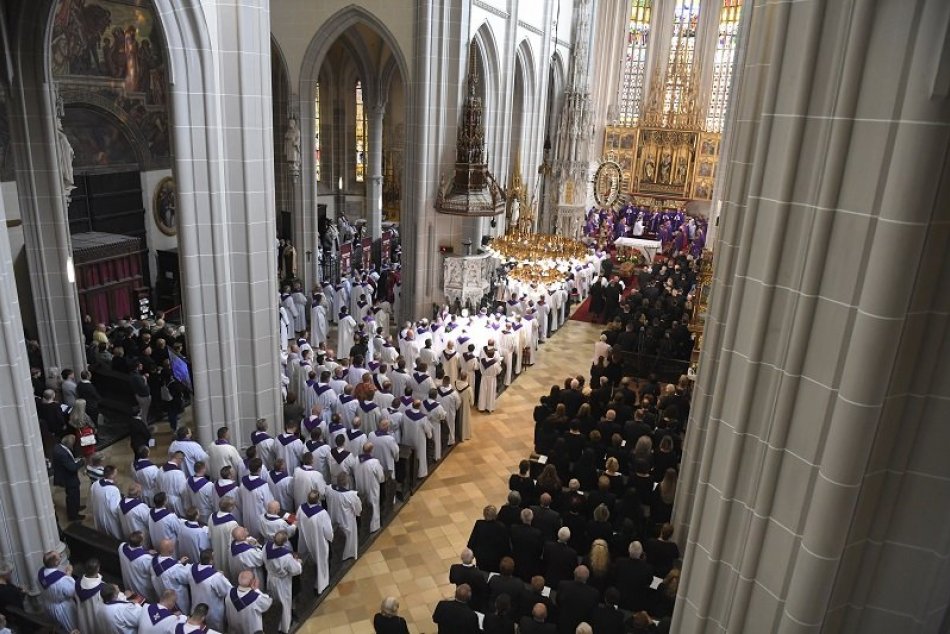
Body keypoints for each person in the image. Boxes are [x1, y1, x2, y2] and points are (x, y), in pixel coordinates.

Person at [264, 530, 302, 633]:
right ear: (285, 543)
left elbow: (263, 559)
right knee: (285, 603)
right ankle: (285, 627)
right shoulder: (285, 556)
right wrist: (298, 562)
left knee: (275, 600)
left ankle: (274, 620)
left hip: (271, 577)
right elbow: (295, 570)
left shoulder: (267, 546)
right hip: (282, 582)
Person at [297, 490, 334, 594]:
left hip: (305, 539)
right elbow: (328, 531)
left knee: (305, 559)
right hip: (319, 542)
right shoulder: (322, 513)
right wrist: (330, 538)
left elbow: (297, 521)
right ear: (317, 500)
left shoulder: (301, 508)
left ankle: (302, 578)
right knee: (321, 562)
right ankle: (321, 585)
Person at [188, 549, 232, 631]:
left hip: (196, 609)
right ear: (211, 561)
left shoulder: (191, 569)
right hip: (213, 612)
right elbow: (227, 591)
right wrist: (222, 577)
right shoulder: (216, 577)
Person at [38, 551, 78, 632]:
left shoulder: (41, 573)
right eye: (59, 556)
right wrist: (69, 574)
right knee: (72, 629)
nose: (60, 556)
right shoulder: (61, 580)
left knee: (56, 626)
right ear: (56, 562)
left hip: (48, 605)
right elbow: (73, 592)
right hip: (63, 608)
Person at [326, 472, 362, 560]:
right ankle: (347, 555)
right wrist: (357, 513)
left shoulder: (329, 489)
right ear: (347, 482)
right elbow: (358, 510)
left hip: (333, 520)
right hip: (347, 523)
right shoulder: (351, 495)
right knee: (348, 541)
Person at [151, 538, 192, 614]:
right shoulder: (174, 568)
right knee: (181, 615)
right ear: (172, 551)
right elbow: (188, 577)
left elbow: (166, 566)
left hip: (162, 594)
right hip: (176, 600)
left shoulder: (154, 561)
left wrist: (179, 562)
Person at [555, 565, 600, 634]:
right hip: (581, 628)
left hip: (563, 625)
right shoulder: (594, 593)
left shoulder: (563, 585)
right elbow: (593, 612)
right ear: (587, 577)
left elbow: (558, 602)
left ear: (574, 574)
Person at [239, 457, 276, 539]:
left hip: (246, 516)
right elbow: (269, 503)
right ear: (259, 469)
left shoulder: (243, 483)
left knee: (249, 536)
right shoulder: (262, 485)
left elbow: (241, 498)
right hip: (259, 517)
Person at [354, 441, 386, 532]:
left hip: (360, 486)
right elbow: (381, 477)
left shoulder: (356, 459)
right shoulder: (374, 462)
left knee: (363, 506)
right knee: (373, 505)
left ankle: (363, 527)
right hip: (372, 488)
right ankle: (373, 527)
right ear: (372, 450)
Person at [467, 505, 509, 573]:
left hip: (481, 559)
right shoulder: (501, 527)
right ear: (495, 515)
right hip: (496, 559)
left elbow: (471, 543)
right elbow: (505, 545)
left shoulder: (479, 524)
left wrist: (476, 554)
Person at [51, 434, 84, 520]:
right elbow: (72, 467)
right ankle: (73, 516)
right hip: (68, 478)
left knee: (75, 495)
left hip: (66, 475)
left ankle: (76, 507)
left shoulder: (58, 447)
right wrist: (81, 462)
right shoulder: (62, 454)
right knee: (72, 496)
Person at [449, 548, 489, 614]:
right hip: (474, 600)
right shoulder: (478, 574)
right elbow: (483, 589)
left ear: (461, 557)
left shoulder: (454, 568)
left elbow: (452, 580)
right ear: (473, 558)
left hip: (460, 595)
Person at [119, 531, 156, 601]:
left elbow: (133, 551)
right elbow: (153, 573)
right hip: (142, 587)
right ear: (141, 543)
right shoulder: (145, 559)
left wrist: (146, 552)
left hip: (128, 583)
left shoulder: (121, 547)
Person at [209, 498, 240, 579]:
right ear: (230, 508)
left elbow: (209, 534)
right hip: (226, 551)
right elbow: (234, 541)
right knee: (227, 571)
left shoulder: (212, 516)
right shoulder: (232, 523)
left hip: (214, 547)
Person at [90, 464, 123, 538]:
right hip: (109, 519)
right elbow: (114, 509)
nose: (116, 476)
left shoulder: (95, 483)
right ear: (111, 476)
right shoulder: (113, 490)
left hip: (98, 513)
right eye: (115, 474)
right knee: (114, 536)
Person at [74, 558, 104, 634]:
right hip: (95, 617)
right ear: (98, 569)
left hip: (82, 616)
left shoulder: (78, 583)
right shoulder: (101, 589)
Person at [477, 344, 502, 413]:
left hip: (484, 378)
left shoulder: (482, 361)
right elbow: (499, 371)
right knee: (491, 393)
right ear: (493, 354)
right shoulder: (495, 363)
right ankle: (489, 407)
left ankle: (481, 407)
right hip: (492, 380)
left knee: (483, 392)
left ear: (487, 354)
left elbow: (480, 369)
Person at [454, 371, 475, 441]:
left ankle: (457, 434)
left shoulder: (455, 384)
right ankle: (465, 435)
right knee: (465, 420)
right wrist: (471, 404)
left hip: (456, 406)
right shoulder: (468, 388)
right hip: (465, 407)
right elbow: (471, 401)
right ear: (466, 378)